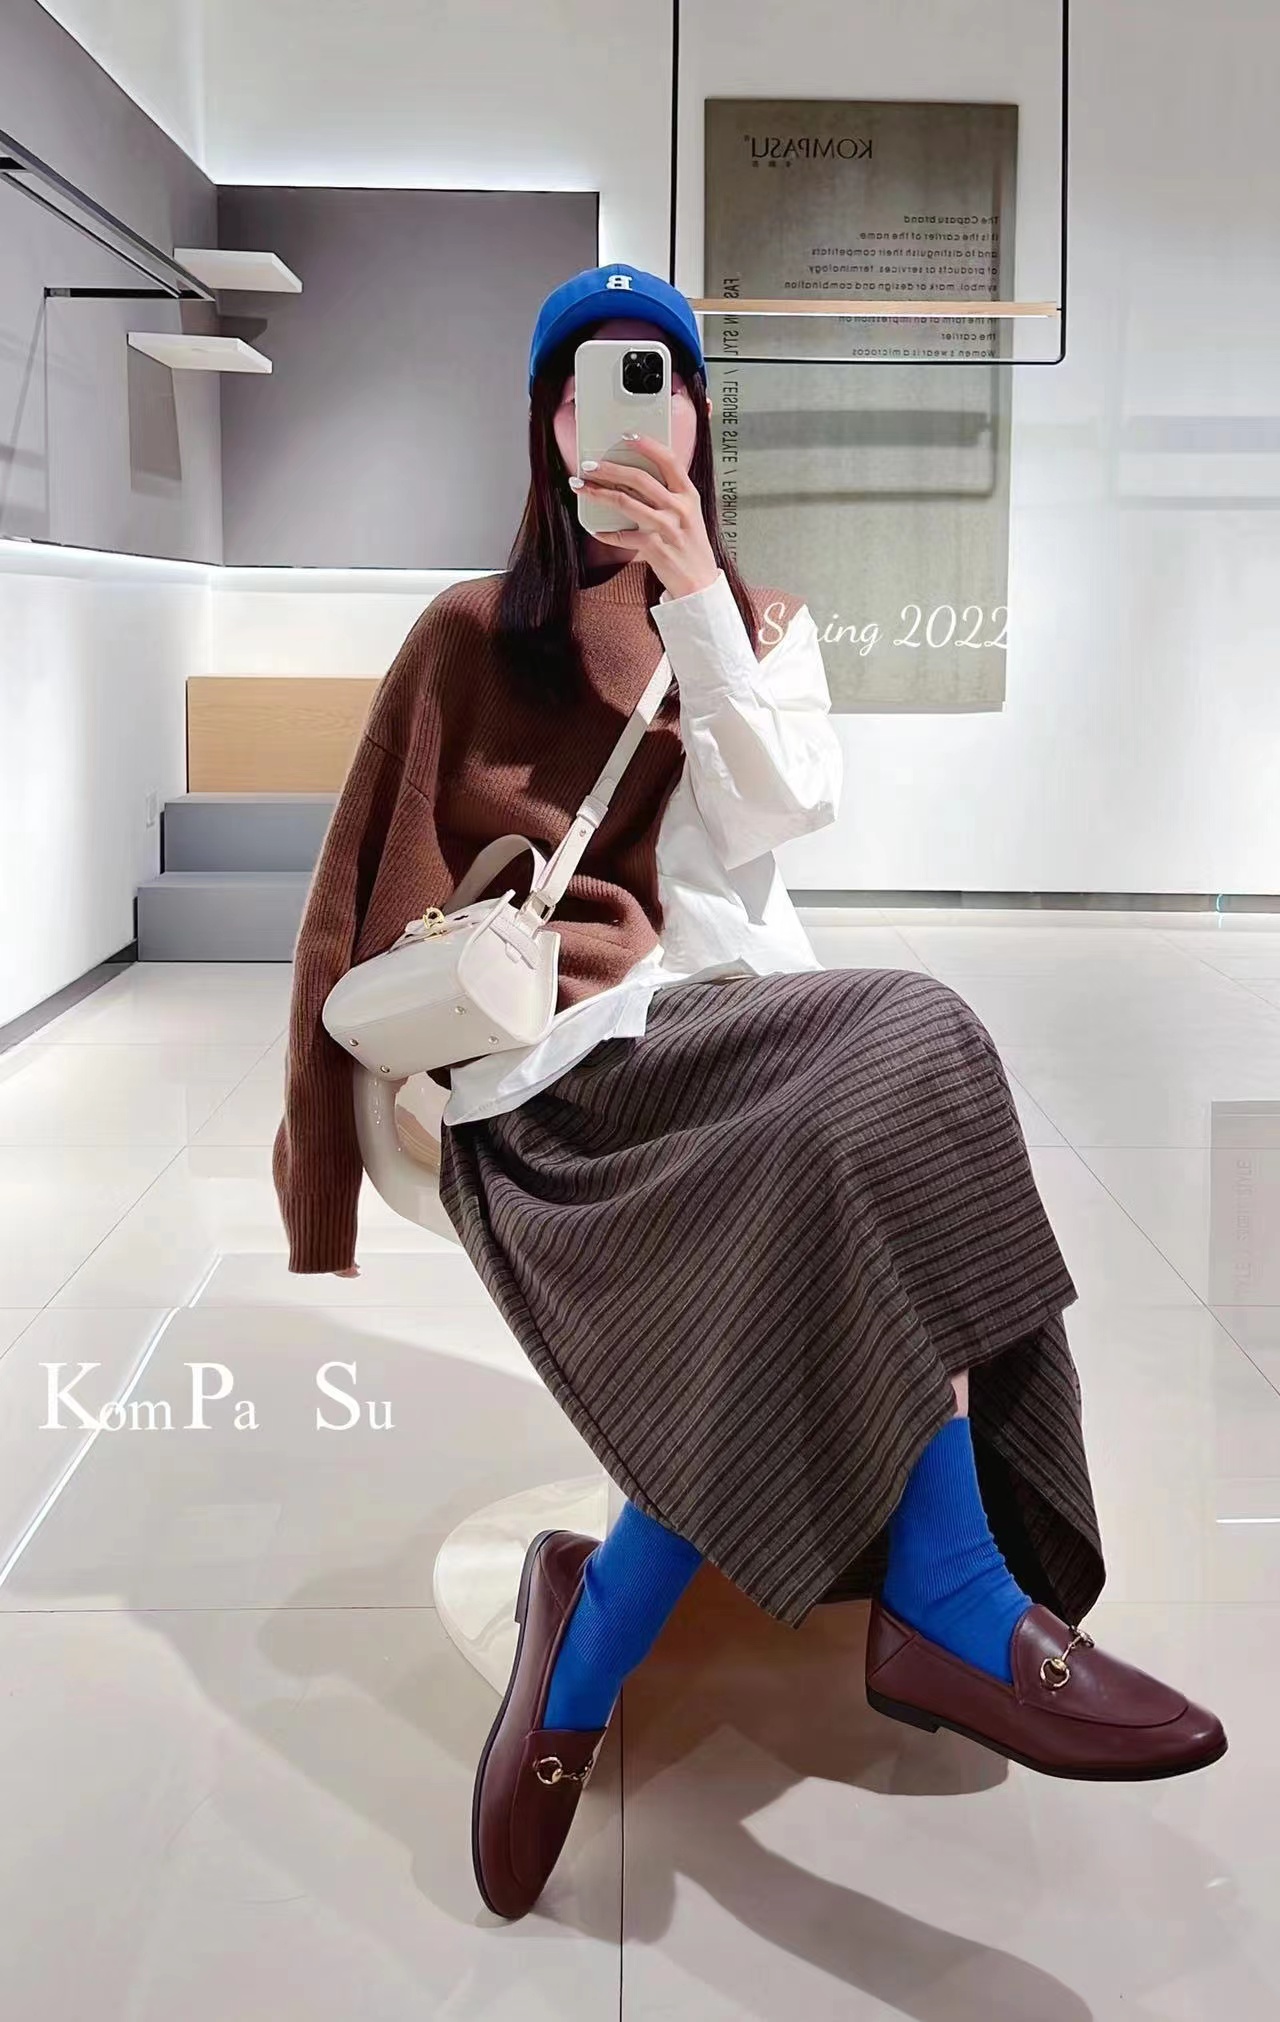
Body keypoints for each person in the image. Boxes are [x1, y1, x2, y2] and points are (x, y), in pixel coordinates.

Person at [272, 262, 1227, 1923]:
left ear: (703, 424)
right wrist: (323, 1179)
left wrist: (697, 599)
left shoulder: (763, 625)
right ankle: (923, 1599)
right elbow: (352, 892)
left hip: (737, 1035)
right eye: (588, 385)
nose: (625, 416)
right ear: (546, 427)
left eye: (659, 385)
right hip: (561, 1079)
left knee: (907, 1057)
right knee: (893, 1070)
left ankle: (604, 1637)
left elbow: (784, 809)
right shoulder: (464, 633)